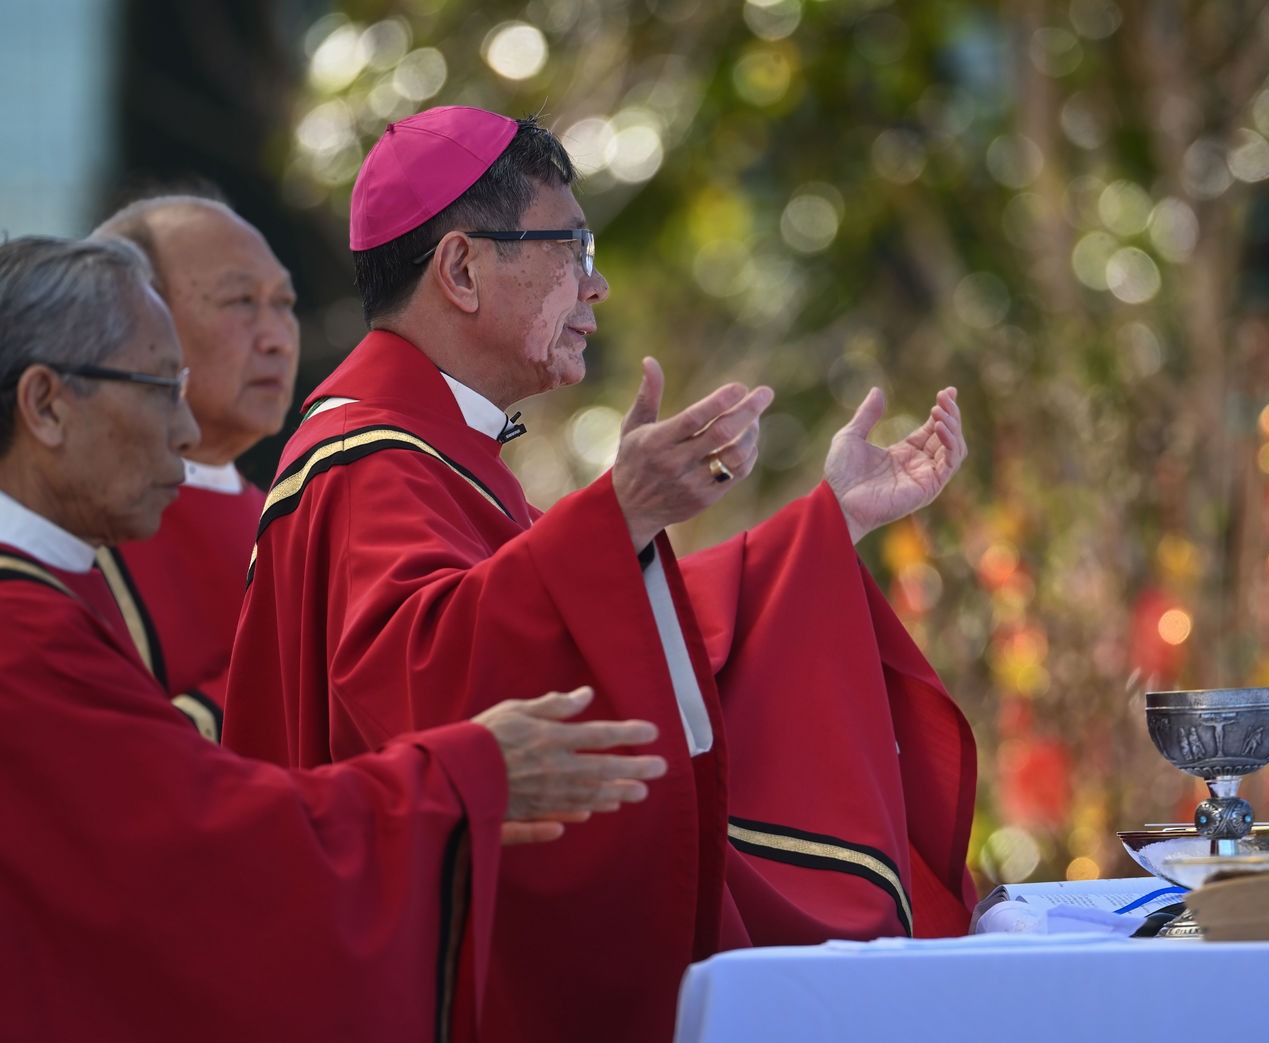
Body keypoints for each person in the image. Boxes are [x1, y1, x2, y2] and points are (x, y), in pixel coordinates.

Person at [222, 106, 978, 1042]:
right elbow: (426, 685)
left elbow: (585, 626)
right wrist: (618, 513)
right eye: (571, 247)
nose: (598, 284)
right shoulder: (371, 456)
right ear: (460, 269)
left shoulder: (430, 445)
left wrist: (825, 525)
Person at [0, 234, 668, 1042]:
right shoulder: (19, 633)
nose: (183, 427)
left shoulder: (47, 594)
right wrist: (464, 777)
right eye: (155, 388)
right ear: (43, 405)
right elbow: (208, 847)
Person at [84, 194, 297, 738]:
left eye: (285, 303)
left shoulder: (291, 520)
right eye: (241, 302)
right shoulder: (72, 524)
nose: (277, 339)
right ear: (135, 319)